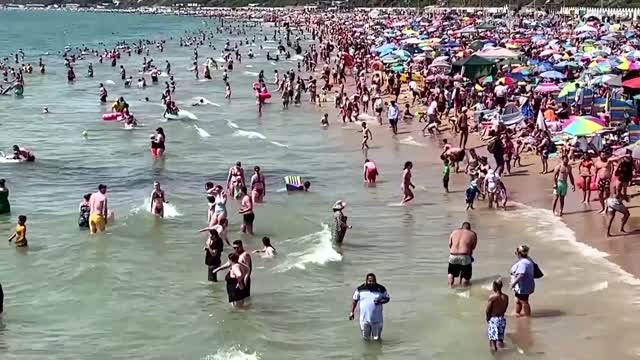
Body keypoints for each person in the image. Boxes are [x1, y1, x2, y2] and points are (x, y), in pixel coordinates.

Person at [349, 273, 390, 341]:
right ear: (366, 280)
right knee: (366, 339)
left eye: (373, 281)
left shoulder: (381, 288)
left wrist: (380, 302)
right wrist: (352, 312)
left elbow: (387, 298)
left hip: (377, 320)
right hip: (364, 320)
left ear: (375, 280)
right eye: (369, 281)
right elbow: (355, 300)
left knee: (377, 339)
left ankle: (377, 351)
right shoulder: (360, 289)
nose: (371, 283)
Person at [448, 222, 477, 288]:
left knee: (451, 273)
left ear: (461, 227)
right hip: (465, 255)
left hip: (452, 255)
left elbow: (450, 244)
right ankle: (463, 288)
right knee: (466, 276)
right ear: (469, 228)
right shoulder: (472, 233)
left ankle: (450, 286)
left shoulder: (454, 232)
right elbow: (473, 247)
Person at [510, 245, 535, 317]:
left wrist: (513, 284)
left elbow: (521, 275)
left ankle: (527, 317)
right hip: (525, 285)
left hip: (523, 287)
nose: (516, 254)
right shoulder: (528, 259)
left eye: (516, 253)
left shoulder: (523, 263)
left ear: (519, 254)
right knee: (518, 300)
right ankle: (517, 313)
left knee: (524, 302)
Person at [486, 279, 509, 352]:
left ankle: (496, 355)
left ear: (494, 287)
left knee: (493, 342)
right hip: (502, 319)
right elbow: (505, 308)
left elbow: (487, 310)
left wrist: (487, 318)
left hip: (494, 319)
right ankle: (503, 351)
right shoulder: (505, 297)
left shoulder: (492, 297)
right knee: (500, 339)